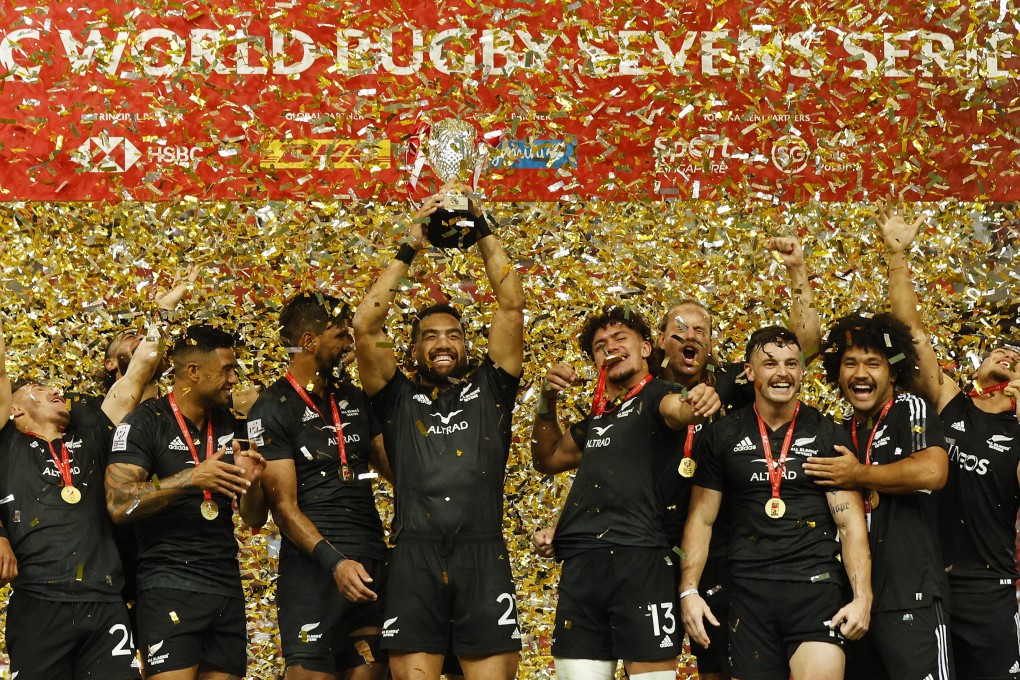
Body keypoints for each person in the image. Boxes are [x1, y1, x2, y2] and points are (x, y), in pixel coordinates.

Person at [352, 187, 525, 680]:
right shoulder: (397, 397)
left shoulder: (493, 387)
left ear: (469, 346)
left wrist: (482, 225)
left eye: (453, 334)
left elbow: (510, 305)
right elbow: (365, 326)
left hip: (483, 554)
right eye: (429, 335)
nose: (443, 342)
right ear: (412, 350)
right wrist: (410, 247)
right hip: (413, 557)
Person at [653, 236, 822, 680]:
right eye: (680, 330)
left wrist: (797, 272)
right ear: (659, 341)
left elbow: (800, 346)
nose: (691, 338)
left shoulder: (733, 381)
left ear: (710, 344)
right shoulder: (641, 391)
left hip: (718, 545)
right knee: (652, 664)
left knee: (719, 663)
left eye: (701, 332)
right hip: (650, 543)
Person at [530, 305, 720, 680]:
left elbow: (678, 409)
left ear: (648, 348)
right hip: (583, 566)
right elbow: (547, 458)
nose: (610, 348)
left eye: (620, 339)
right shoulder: (599, 417)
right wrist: (546, 400)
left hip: (642, 563)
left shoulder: (659, 396)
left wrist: (696, 403)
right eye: (600, 346)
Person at [877, 199, 1020, 679]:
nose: (1009, 352)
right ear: (977, 368)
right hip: (932, 585)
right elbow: (911, 332)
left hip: (991, 590)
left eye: (1019, 356)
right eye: (1000, 348)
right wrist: (897, 256)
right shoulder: (948, 402)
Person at [679, 326, 872, 680]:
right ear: (750, 373)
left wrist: (862, 598)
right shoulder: (722, 434)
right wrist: (688, 590)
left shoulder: (828, 433)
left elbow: (850, 525)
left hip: (815, 587)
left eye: (791, 363)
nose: (782, 373)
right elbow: (701, 520)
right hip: (747, 593)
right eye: (769, 364)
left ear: (801, 371)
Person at [0, 315, 162, 679]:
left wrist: (161, 317)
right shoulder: (6, 443)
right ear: (14, 409)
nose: (53, 390)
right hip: (38, 601)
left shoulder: (92, 432)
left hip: (105, 601)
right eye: (37, 390)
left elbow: (138, 375)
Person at [105, 323, 268, 680]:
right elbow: (119, 504)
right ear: (193, 372)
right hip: (168, 585)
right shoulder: (144, 424)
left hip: (225, 585)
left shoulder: (234, 426)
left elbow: (254, 519)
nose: (232, 378)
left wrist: (253, 485)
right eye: (226, 369)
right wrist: (190, 478)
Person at [248, 293, 392, 680]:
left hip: (369, 562)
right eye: (341, 335)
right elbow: (283, 508)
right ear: (310, 342)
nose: (349, 345)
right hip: (314, 571)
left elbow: (398, 472)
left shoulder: (353, 397)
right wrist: (335, 563)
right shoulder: (273, 406)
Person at [805, 311, 952, 680]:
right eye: (850, 363)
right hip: (856, 600)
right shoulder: (839, 430)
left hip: (911, 593)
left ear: (892, 371)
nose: (860, 373)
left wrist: (857, 474)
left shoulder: (909, 409)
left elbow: (933, 471)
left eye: (873, 363)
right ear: (837, 373)